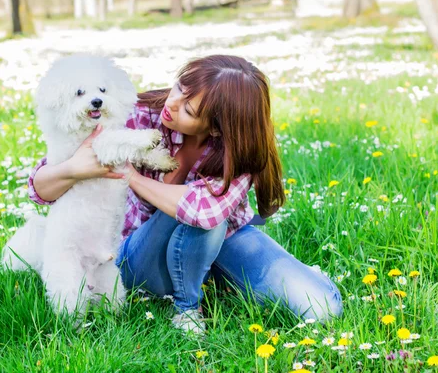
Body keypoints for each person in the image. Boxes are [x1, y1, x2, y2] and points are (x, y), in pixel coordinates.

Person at [28, 55, 342, 335]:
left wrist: (131, 176)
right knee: (200, 215)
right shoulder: (137, 113)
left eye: (189, 108)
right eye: (180, 87)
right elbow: (39, 189)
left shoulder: (240, 150)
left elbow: (205, 212)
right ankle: (187, 306)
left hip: (223, 237)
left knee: (321, 308)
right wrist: (72, 169)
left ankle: (227, 275)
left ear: (218, 128)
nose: (172, 103)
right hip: (140, 249)